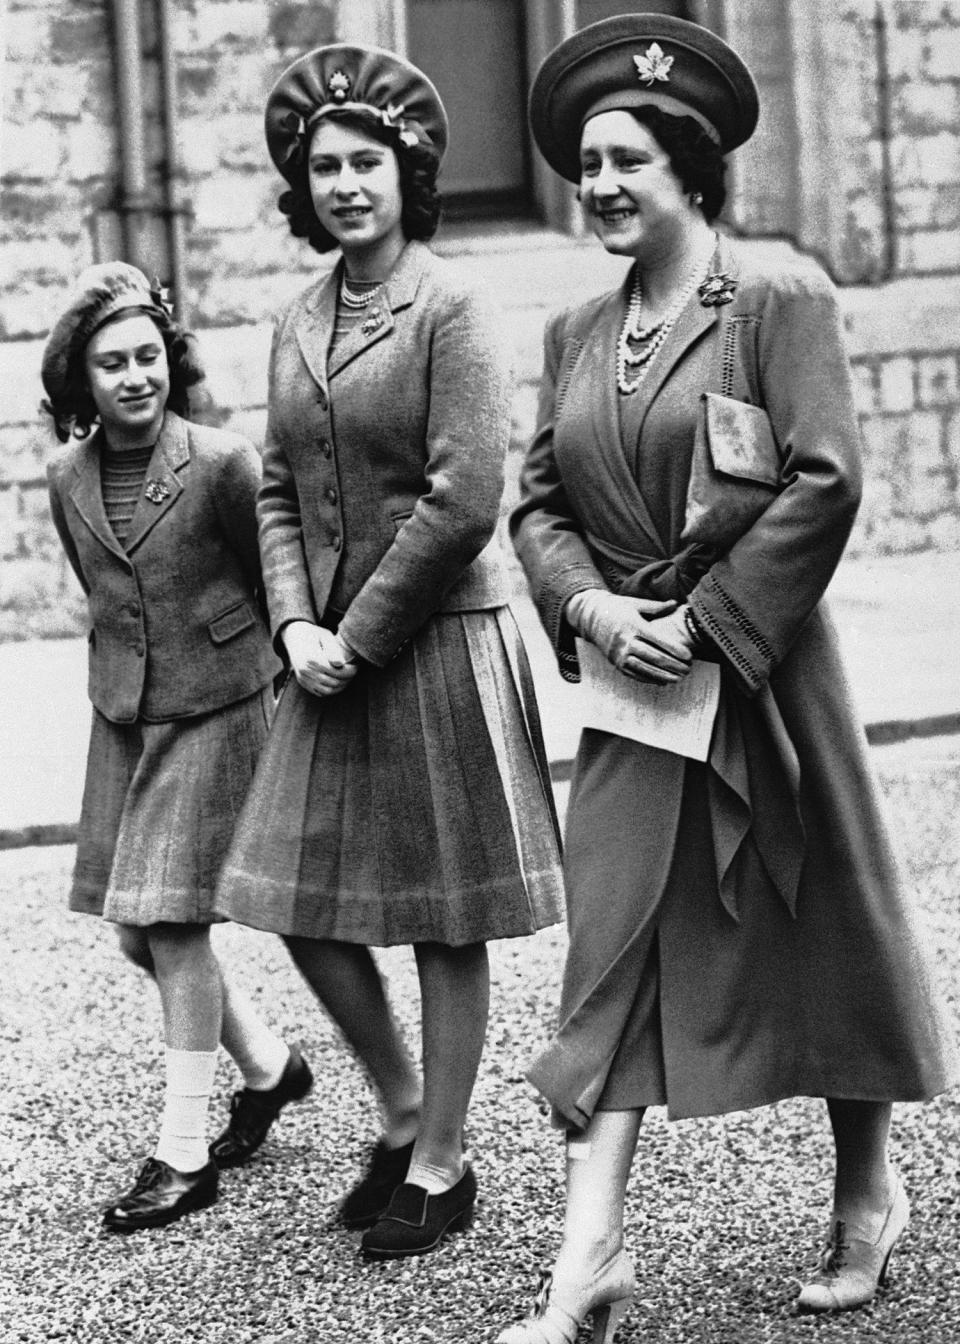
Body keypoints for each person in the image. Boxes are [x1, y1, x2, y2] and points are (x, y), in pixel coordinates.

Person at [499, 15, 958, 1340]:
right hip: (635, 693)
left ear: (691, 169)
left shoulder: (773, 305)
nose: (597, 183)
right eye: (585, 161)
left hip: (759, 672)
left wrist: (704, 626)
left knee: (826, 931)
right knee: (613, 947)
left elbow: (827, 477)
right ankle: (587, 1263)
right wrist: (590, 607)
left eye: (626, 157)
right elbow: (535, 503)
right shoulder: (577, 328)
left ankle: (870, 1192)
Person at [215, 43, 564, 1260]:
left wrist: (353, 636)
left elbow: (467, 496)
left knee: (440, 916)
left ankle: (445, 1158)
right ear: (300, 186)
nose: (347, 184)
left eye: (368, 162)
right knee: (288, 895)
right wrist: (294, 621)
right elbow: (271, 485)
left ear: (407, 172)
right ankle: (404, 1106)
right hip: (325, 649)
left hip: (433, 643)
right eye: (325, 167)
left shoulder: (452, 303)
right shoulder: (298, 315)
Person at [42, 263, 313, 1232]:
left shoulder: (223, 462)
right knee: (132, 932)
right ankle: (271, 1071)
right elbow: (102, 589)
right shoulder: (64, 478)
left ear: (174, 360)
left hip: (219, 706)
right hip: (124, 717)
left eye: (148, 356)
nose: (134, 377)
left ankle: (185, 1150)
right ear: (81, 380)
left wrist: (285, 683)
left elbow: (274, 574)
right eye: (111, 363)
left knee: (172, 926)